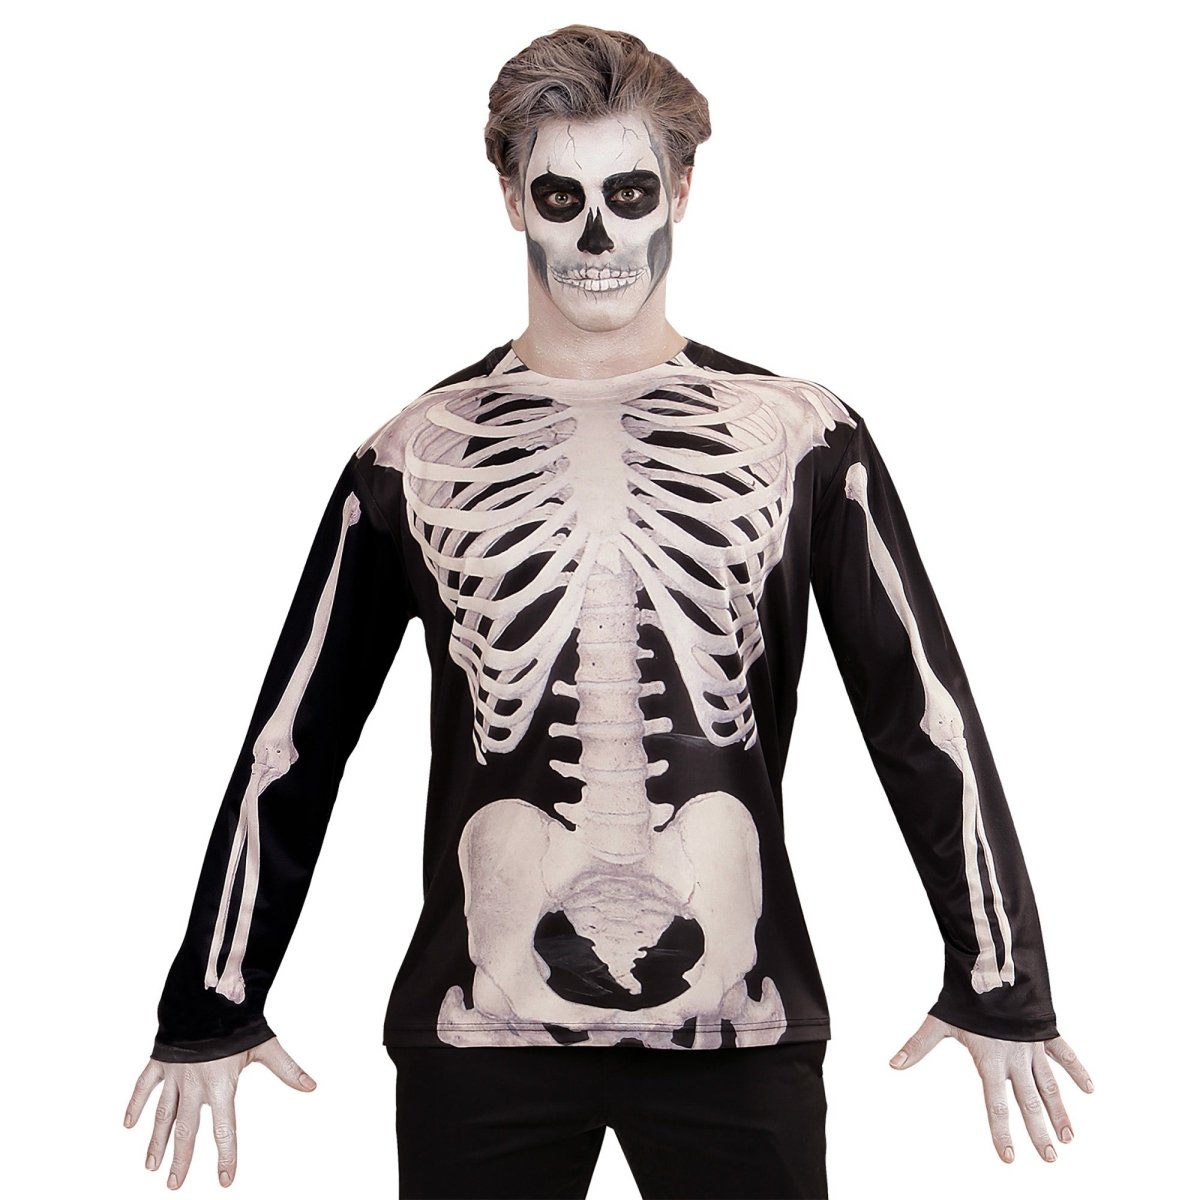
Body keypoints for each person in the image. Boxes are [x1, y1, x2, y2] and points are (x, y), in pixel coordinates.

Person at [124, 24, 1093, 1199]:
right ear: (512, 202)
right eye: (560, 197)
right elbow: (296, 738)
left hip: (740, 1023)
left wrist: (1000, 976)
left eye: (628, 194)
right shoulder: (414, 455)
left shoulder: (801, 436)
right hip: (481, 1024)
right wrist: (212, 1001)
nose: (596, 238)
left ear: (681, 190)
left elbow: (919, 707)